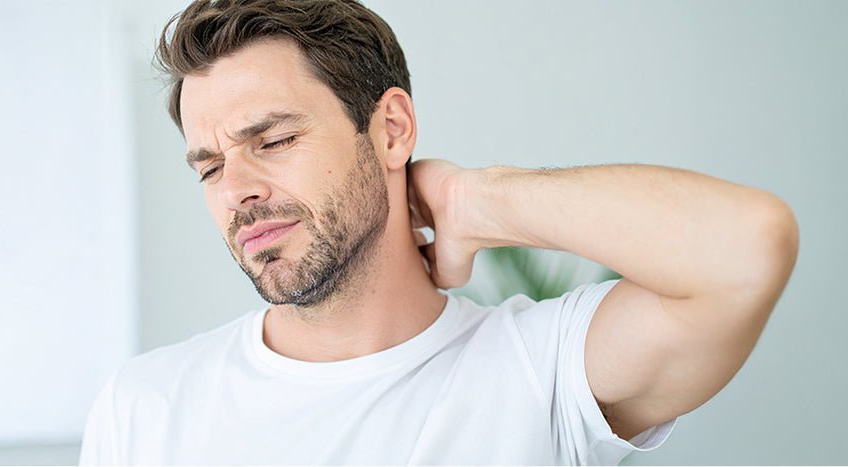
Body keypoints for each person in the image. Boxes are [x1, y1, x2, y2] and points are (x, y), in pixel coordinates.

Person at [79, 0, 799, 464]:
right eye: (209, 167)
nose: (237, 191)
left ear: (391, 129)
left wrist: (473, 200)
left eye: (272, 139)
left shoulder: (538, 369)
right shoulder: (145, 408)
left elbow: (749, 246)